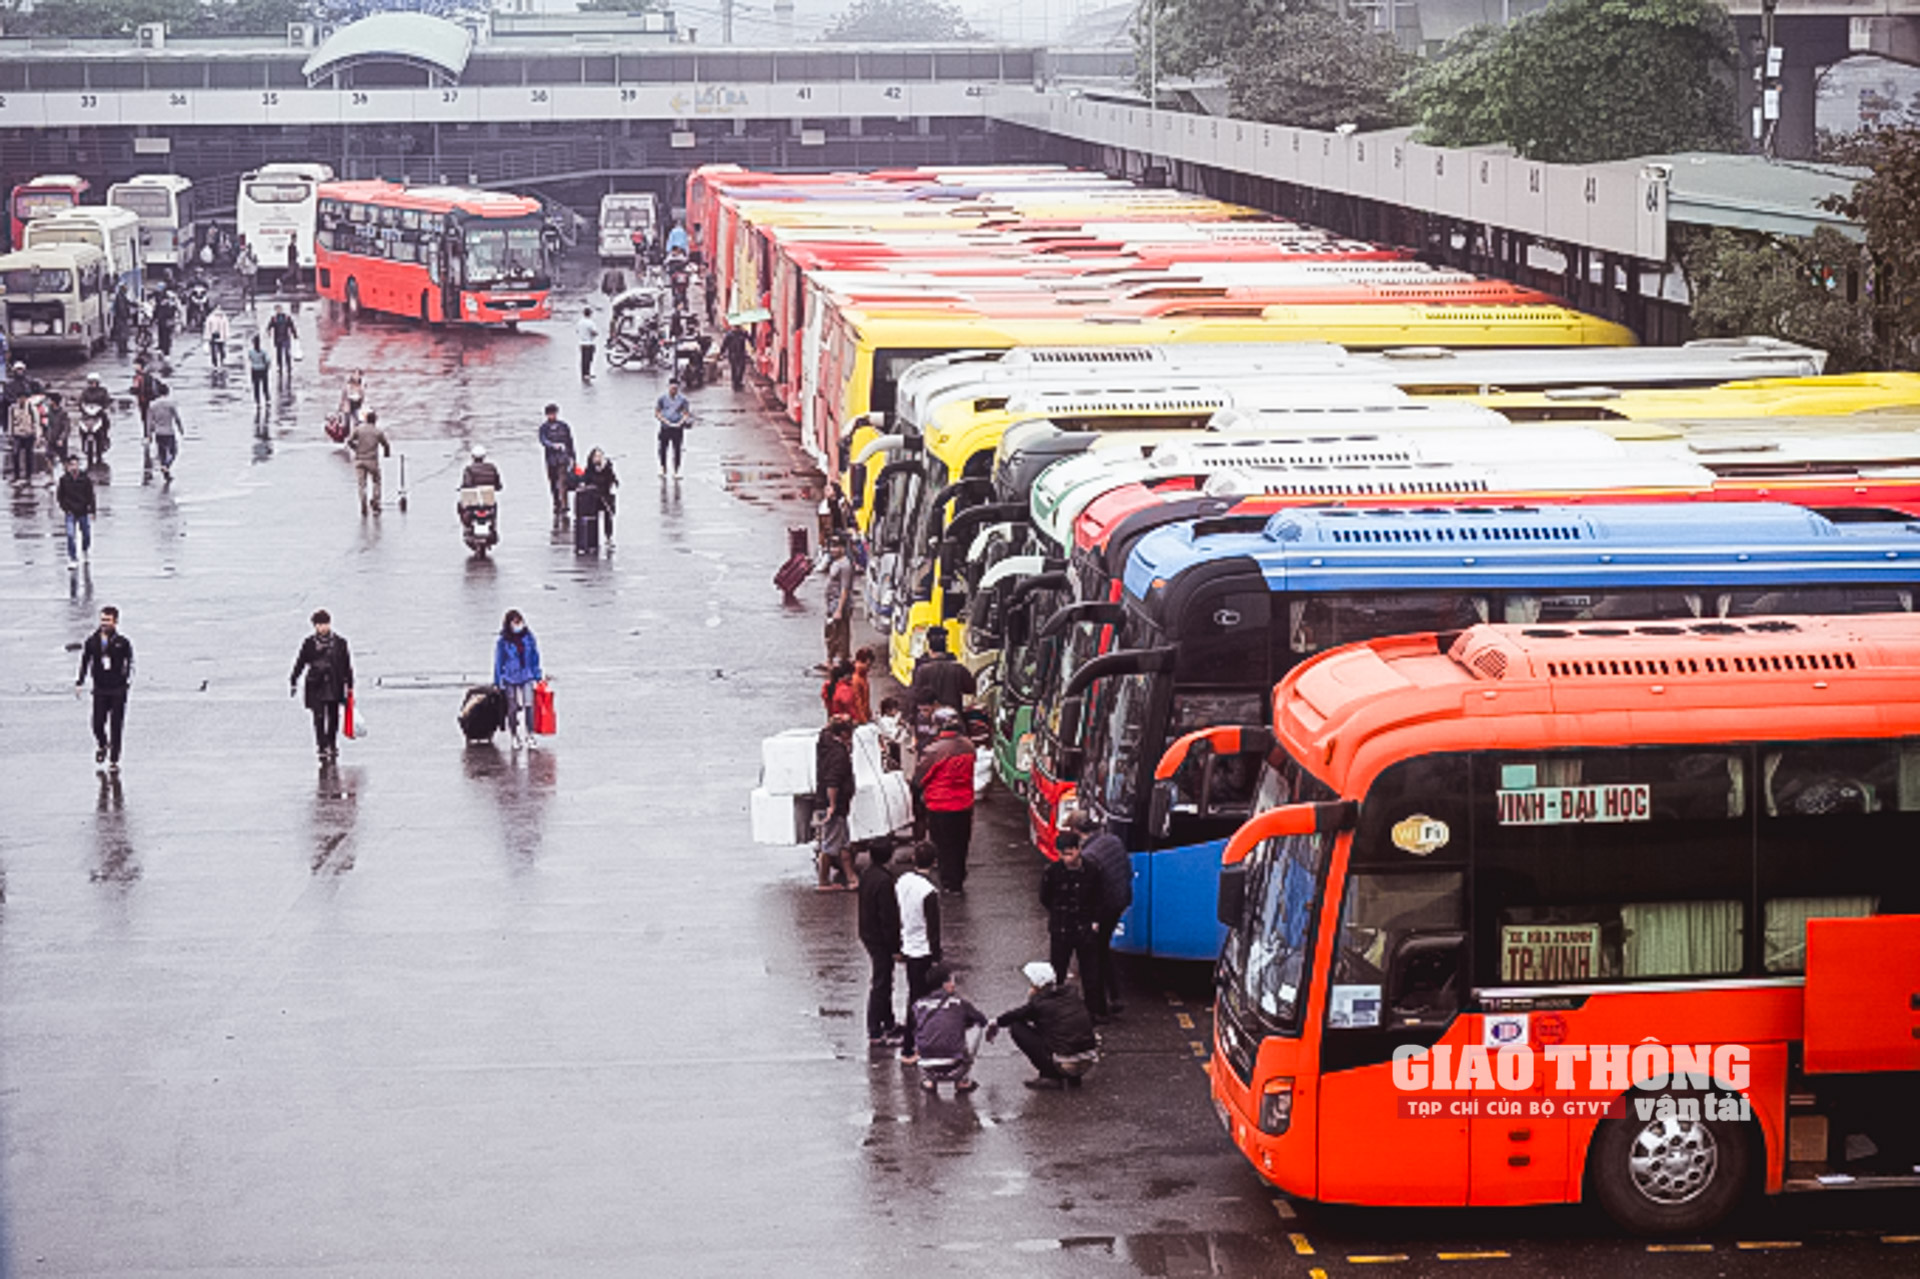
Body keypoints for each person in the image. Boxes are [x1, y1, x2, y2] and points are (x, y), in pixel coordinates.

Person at [987, 961, 1100, 1091]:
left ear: (1037, 985)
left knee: (1017, 1027)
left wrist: (994, 1023)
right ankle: (1074, 1077)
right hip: (1087, 1061)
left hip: (1063, 1065)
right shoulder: (1071, 993)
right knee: (1059, 1030)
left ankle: (1050, 1075)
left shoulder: (1039, 1004)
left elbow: (1014, 1016)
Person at [1040, 830, 1108, 1016]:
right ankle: (1055, 1010)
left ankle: (1094, 1011)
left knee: (1091, 973)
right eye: (1063, 854)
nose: (1067, 858)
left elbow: (1100, 898)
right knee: (1057, 972)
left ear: (1079, 850)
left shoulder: (1093, 871)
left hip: (1084, 927)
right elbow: (1045, 897)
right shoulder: (1052, 872)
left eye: (1070, 853)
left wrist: (1094, 921)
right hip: (1061, 928)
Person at [1074, 814, 1133, 1017]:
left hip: (1104, 910)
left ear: (1077, 832)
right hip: (1120, 901)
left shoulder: (1089, 856)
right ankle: (1115, 995)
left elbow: (1093, 893)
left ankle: (1101, 1007)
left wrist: (1093, 920)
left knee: (1095, 956)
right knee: (1104, 950)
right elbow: (1126, 869)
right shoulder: (1113, 840)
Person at [912, 708, 977, 893]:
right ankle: (958, 878)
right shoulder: (968, 746)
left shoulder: (934, 750)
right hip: (964, 803)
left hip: (940, 805)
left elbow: (920, 778)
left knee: (943, 845)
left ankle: (948, 881)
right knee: (961, 843)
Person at [894, 842, 943, 1065]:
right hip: (923, 950)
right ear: (934, 862)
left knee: (915, 996)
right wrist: (937, 956)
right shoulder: (929, 892)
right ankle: (909, 1046)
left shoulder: (903, 882)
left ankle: (916, 1043)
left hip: (908, 945)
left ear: (913, 859)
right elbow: (934, 928)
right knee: (920, 1000)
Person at [909, 964, 988, 1096]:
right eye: (951, 981)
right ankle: (961, 1080)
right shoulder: (959, 1003)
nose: (953, 984)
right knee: (976, 1027)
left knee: (923, 1029)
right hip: (955, 1066)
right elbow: (982, 1020)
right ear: (944, 984)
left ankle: (930, 1081)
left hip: (926, 1064)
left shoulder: (918, 1005)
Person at [75, 605, 134, 770]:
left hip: (117, 690)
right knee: (97, 723)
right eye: (102, 620)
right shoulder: (92, 642)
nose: (104, 623)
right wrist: (80, 681)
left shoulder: (122, 643)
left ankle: (114, 759)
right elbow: (85, 661)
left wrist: (125, 683)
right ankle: (102, 744)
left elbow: (130, 664)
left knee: (116, 725)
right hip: (100, 689)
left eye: (108, 620)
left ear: (115, 622)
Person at [290, 609, 354, 761]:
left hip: (334, 683)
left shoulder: (340, 643)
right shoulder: (309, 643)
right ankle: (322, 745)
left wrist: (349, 684)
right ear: (315, 626)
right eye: (319, 625)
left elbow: (346, 664)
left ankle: (331, 743)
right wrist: (294, 679)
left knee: (333, 716)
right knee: (318, 717)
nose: (323, 627)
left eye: (325, 624)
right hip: (315, 684)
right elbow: (301, 662)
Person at [857, 845, 903, 1045]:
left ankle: (888, 1022)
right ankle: (875, 1029)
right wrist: (896, 946)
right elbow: (888, 917)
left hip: (868, 933)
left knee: (883, 980)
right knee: (882, 982)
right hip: (880, 938)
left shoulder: (868, 874)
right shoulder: (885, 881)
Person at [814, 716, 857, 889]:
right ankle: (823, 881)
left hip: (829, 803)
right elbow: (833, 782)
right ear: (844, 733)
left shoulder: (825, 743)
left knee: (843, 842)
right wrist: (832, 805)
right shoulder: (839, 754)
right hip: (835, 805)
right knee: (831, 843)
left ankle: (851, 877)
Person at [493, 609, 544, 749]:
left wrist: (538, 676)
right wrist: (497, 681)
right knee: (512, 708)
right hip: (510, 676)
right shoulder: (503, 641)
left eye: (519, 621)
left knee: (529, 705)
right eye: (515, 622)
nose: (518, 624)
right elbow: (499, 661)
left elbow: (535, 657)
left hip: (526, 675)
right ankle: (514, 736)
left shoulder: (528, 638)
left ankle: (530, 734)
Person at [909, 625, 977, 716]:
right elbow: (970, 688)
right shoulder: (958, 669)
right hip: (953, 719)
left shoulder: (921, 670)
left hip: (930, 720)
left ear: (930, 648)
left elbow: (914, 696)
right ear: (946, 647)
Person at [347, 409, 392, 514]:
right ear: (375, 420)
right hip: (372, 461)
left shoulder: (358, 429)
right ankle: (375, 503)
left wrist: (355, 448)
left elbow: (349, 441)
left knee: (361, 484)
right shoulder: (377, 431)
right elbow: (386, 444)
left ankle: (363, 504)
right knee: (376, 481)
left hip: (359, 460)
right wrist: (387, 454)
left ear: (366, 420)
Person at [537, 403, 575, 523]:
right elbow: (543, 440)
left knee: (563, 482)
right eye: (550, 414)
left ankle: (565, 505)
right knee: (553, 482)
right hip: (551, 460)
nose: (552, 416)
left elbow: (570, 442)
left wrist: (573, 458)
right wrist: (553, 446)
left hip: (563, 459)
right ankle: (556, 503)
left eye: (553, 413)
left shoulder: (564, 426)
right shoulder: (544, 428)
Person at [57, 455, 95, 567]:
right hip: (70, 512)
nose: (74, 467)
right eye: (71, 465)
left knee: (86, 533)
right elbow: (60, 496)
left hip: (83, 510)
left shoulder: (85, 479)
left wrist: (92, 511)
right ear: (67, 466)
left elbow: (91, 495)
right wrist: (65, 508)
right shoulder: (64, 480)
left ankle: (85, 550)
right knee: (70, 534)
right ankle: (73, 557)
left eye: (75, 464)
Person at [821, 537, 853, 668]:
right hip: (832, 604)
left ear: (843, 548)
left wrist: (839, 609)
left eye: (836, 547)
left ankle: (832, 660)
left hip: (839, 605)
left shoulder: (845, 566)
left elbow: (845, 589)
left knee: (834, 633)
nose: (832, 550)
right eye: (831, 547)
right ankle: (841, 659)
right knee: (839, 632)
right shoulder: (835, 563)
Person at [580, 447, 617, 548]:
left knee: (608, 517)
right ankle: (593, 539)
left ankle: (608, 537)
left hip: (605, 496)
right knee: (593, 518)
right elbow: (585, 480)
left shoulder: (607, 468)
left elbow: (613, 480)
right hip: (593, 497)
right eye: (596, 456)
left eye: (600, 456)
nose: (598, 458)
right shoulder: (589, 469)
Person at [654, 378, 691, 476]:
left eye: (675, 388)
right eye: (672, 388)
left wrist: (681, 422)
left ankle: (676, 469)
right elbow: (657, 412)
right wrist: (663, 420)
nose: (674, 390)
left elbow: (686, 413)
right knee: (662, 448)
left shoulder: (683, 400)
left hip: (677, 427)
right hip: (665, 427)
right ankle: (663, 467)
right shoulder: (662, 399)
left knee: (677, 449)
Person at [145, 384, 182, 480]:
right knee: (173, 451)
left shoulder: (152, 405)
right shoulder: (170, 404)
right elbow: (176, 417)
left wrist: (148, 434)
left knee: (162, 453)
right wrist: (180, 428)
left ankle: (166, 474)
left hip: (158, 432)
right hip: (169, 432)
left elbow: (149, 421)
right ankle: (166, 466)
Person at [78, 374, 112, 463]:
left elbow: (107, 401)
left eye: (95, 382)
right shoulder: (85, 392)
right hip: (88, 414)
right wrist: (81, 407)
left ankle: (104, 438)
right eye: (91, 382)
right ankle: (83, 441)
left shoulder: (102, 391)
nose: (93, 384)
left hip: (99, 413)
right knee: (81, 425)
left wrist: (104, 406)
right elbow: (81, 401)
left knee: (106, 421)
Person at [42, 390, 70, 469]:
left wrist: (61, 439)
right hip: (50, 439)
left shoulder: (63, 413)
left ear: (54, 402)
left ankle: (67, 475)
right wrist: (44, 436)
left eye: (50, 400)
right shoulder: (48, 411)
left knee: (64, 458)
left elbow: (66, 427)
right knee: (48, 457)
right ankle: (51, 476)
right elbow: (45, 424)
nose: (48, 401)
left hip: (59, 439)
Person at [266, 304, 296, 376]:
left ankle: (288, 367)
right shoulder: (274, 319)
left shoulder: (286, 317)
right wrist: (269, 332)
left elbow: (291, 326)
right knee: (279, 354)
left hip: (285, 338)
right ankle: (280, 367)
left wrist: (294, 334)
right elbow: (269, 326)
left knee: (287, 353)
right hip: (278, 339)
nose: (278, 311)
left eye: (279, 309)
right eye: (277, 309)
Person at [719, 323, 750, 391]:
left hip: (741, 353)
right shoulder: (729, 335)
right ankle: (735, 383)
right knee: (734, 369)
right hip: (733, 354)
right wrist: (722, 352)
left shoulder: (742, 333)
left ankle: (738, 382)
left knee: (741, 368)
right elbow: (725, 344)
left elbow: (749, 339)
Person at [576, 305, 599, 381]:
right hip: (589, 343)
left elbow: (577, 331)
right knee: (589, 359)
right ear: (590, 314)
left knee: (583, 359)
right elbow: (594, 332)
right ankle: (587, 373)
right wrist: (595, 334)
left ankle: (584, 373)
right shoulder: (590, 323)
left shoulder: (580, 322)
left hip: (582, 343)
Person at [247, 336, 270, 406]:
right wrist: (267, 368)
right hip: (262, 370)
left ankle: (258, 401)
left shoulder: (251, 352)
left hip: (254, 370)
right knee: (265, 386)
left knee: (256, 387)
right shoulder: (263, 352)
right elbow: (268, 361)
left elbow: (250, 359)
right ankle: (267, 399)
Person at [236, 239, 259, 309]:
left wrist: (255, 266)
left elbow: (256, 262)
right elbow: (239, 263)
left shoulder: (253, 254)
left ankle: (253, 303)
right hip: (245, 273)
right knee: (245, 286)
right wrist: (241, 269)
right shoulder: (243, 255)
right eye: (248, 248)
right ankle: (243, 301)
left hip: (252, 272)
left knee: (253, 289)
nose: (249, 249)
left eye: (250, 248)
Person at [112, 282, 134, 355]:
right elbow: (122, 308)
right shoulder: (120, 297)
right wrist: (126, 316)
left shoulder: (122, 296)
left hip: (121, 317)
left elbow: (128, 302)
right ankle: (122, 348)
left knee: (124, 333)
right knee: (122, 333)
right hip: (121, 318)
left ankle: (124, 347)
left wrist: (136, 304)